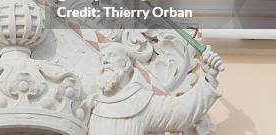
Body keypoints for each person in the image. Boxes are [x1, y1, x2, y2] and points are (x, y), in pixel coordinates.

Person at [87, 41, 223, 135]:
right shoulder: (93, 103)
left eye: (111, 56)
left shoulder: (142, 103)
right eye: (102, 58)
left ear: (126, 65)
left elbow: (182, 111)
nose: (104, 61)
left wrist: (209, 78)